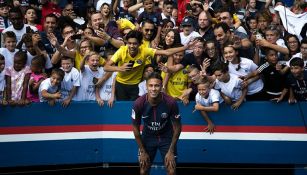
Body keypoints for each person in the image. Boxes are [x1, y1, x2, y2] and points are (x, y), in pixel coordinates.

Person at [104, 30, 196, 101]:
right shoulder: (121, 51)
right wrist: (120, 68)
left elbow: (167, 52)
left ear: (140, 44)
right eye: (129, 43)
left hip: (136, 85)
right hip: (121, 84)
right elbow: (106, 67)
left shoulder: (144, 51)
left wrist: (185, 47)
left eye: (135, 43)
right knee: (122, 109)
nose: (132, 46)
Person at [132, 72, 182, 175]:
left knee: (171, 170)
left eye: (157, 85)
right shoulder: (138, 103)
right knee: (143, 170)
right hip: (148, 137)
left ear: (161, 86)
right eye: (151, 85)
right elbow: (136, 129)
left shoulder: (171, 102)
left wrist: (171, 150)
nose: (153, 89)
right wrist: (142, 151)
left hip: (166, 137)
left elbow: (177, 128)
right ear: (146, 86)